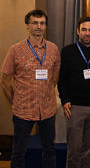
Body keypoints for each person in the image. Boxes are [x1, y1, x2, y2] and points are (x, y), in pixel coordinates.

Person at [0, 9, 61, 168]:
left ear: (46, 26)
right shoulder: (15, 50)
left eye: (42, 23)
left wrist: (47, 92)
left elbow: (55, 77)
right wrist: (14, 101)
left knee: (49, 150)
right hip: (23, 110)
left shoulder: (53, 49)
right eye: (34, 23)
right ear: (27, 25)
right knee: (19, 152)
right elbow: (5, 81)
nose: (38, 27)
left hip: (47, 109)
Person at [57, 16, 90, 168]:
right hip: (75, 107)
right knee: (75, 149)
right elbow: (62, 79)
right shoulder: (67, 51)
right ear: (78, 31)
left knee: (89, 148)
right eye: (84, 30)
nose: (87, 33)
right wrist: (64, 100)